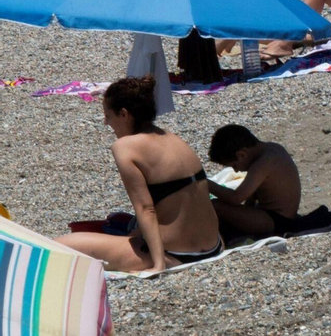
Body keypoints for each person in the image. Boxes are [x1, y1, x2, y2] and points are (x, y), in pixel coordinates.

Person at [55, 77, 223, 271]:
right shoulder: (173, 138)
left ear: (124, 114)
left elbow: (146, 209)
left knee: (61, 245)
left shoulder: (125, 147)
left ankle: (158, 259)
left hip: (175, 255)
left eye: (108, 116)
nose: (106, 123)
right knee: (127, 233)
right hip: (214, 246)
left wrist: (158, 264)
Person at [207, 125, 301, 240]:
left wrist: (206, 184)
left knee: (215, 205)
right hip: (279, 216)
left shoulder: (264, 163)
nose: (236, 170)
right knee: (230, 212)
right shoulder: (273, 149)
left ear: (242, 154)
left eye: (234, 165)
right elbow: (253, 195)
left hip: (277, 221)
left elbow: (236, 198)